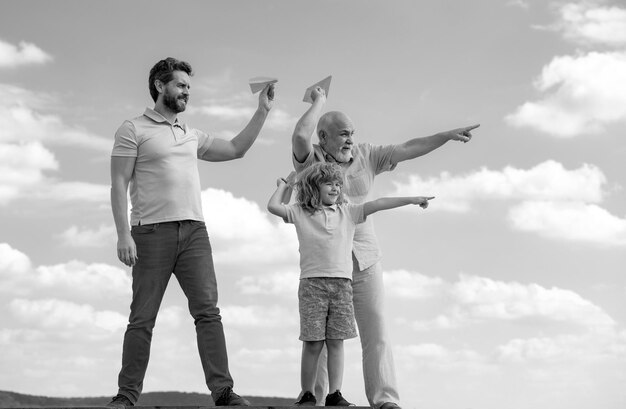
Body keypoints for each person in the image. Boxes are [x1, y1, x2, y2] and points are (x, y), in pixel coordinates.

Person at [291, 87, 478, 409]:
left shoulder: (368, 155)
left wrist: (444, 135)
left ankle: (384, 399)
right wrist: (319, 101)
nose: (350, 139)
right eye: (343, 134)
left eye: (352, 133)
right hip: (324, 261)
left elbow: (409, 147)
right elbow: (299, 135)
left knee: (375, 329)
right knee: (320, 337)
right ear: (324, 137)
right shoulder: (312, 162)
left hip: (364, 258)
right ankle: (316, 400)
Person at [108, 57, 275, 408]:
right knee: (142, 318)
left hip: (195, 234)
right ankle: (126, 396)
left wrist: (262, 110)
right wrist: (123, 235)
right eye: (181, 85)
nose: (187, 92)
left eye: (188, 87)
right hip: (150, 233)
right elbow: (118, 184)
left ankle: (223, 392)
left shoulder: (191, 135)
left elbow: (235, 149)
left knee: (208, 313)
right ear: (159, 86)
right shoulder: (133, 129)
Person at [267, 163, 433, 407]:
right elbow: (273, 207)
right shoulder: (301, 212)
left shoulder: (348, 212)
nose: (335, 188)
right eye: (328, 183)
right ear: (314, 186)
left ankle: (335, 393)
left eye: (337, 184)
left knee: (336, 341)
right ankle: (307, 393)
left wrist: (411, 199)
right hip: (313, 286)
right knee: (313, 342)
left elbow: (379, 203)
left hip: (343, 286)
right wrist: (285, 186)